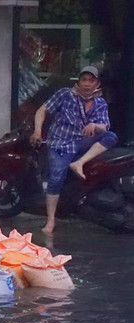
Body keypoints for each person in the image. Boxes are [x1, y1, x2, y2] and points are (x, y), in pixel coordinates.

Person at [32, 66, 118, 234]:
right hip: (61, 143)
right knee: (56, 178)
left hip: (82, 143)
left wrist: (94, 125)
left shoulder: (100, 102)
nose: (87, 84)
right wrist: (37, 131)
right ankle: (50, 221)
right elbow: (42, 110)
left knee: (110, 136)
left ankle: (79, 163)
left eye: (91, 81)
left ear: (97, 84)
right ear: (78, 82)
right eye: (84, 80)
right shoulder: (65, 95)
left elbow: (105, 125)